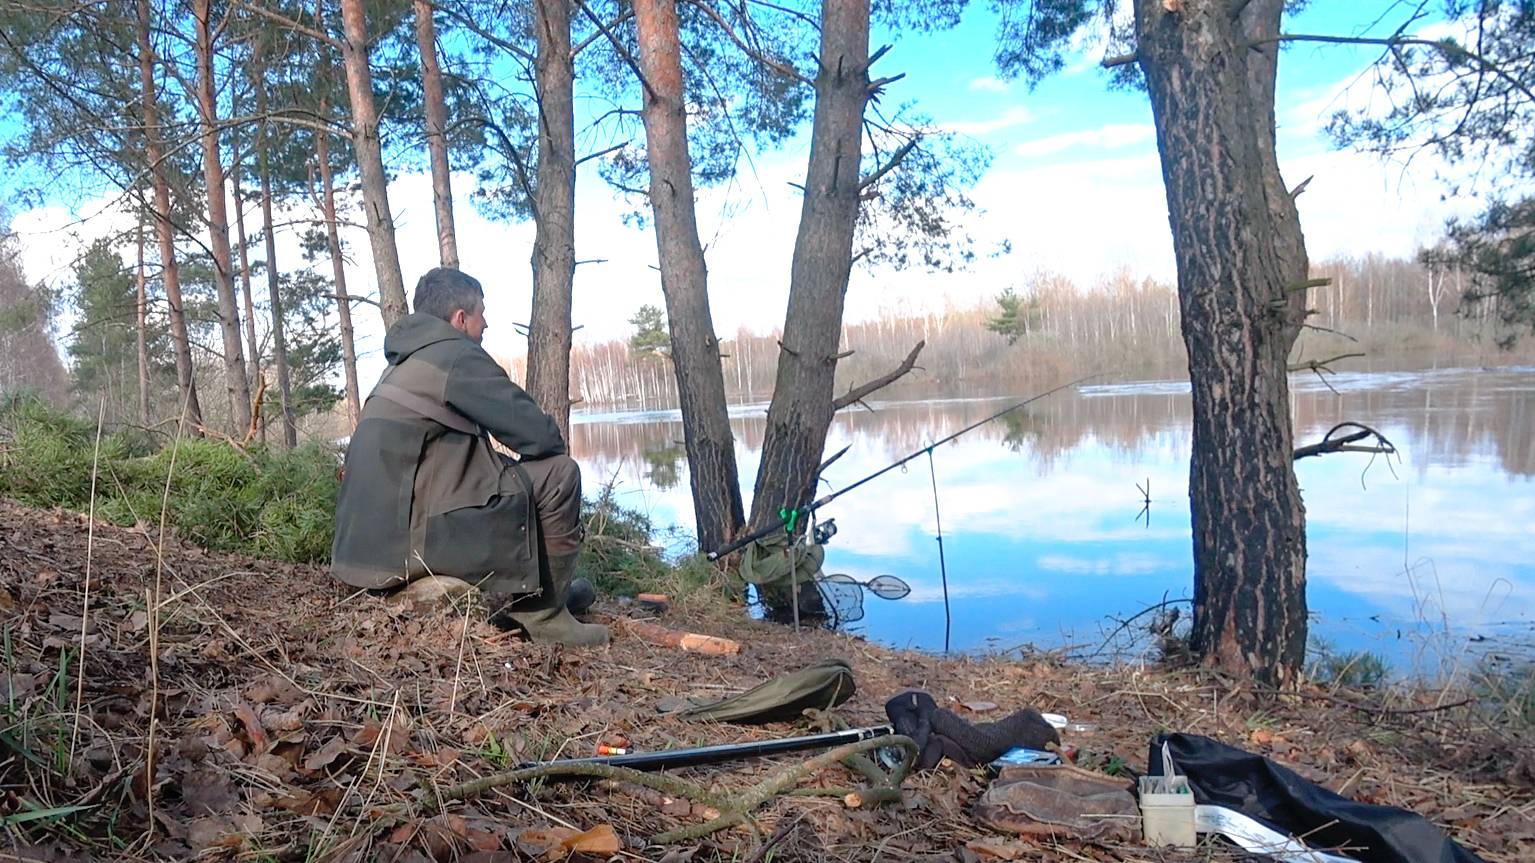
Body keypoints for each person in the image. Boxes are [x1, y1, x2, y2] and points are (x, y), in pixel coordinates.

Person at [331, 267, 607, 646]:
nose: (486, 323)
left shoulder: (400, 366)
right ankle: (545, 614)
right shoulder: (456, 356)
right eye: (481, 313)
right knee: (559, 475)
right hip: (404, 549)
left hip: (363, 551)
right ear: (460, 319)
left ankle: (535, 592)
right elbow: (538, 437)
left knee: (511, 475)